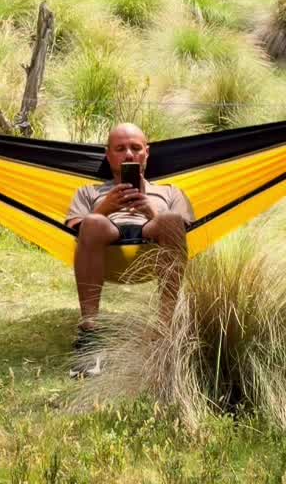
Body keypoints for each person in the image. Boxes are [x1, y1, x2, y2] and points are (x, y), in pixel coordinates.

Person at [65, 122, 193, 377]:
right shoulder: (88, 192)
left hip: (151, 240)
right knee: (92, 221)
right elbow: (77, 227)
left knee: (169, 219)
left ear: (147, 152)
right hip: (106, 239)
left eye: (135, 148)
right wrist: (105, 207)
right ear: (108, 154)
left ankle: (166, 328)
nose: (129, 155)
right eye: (120, 148)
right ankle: (90, 332)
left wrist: (151, 210)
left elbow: (182, 229)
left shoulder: (170, 192)